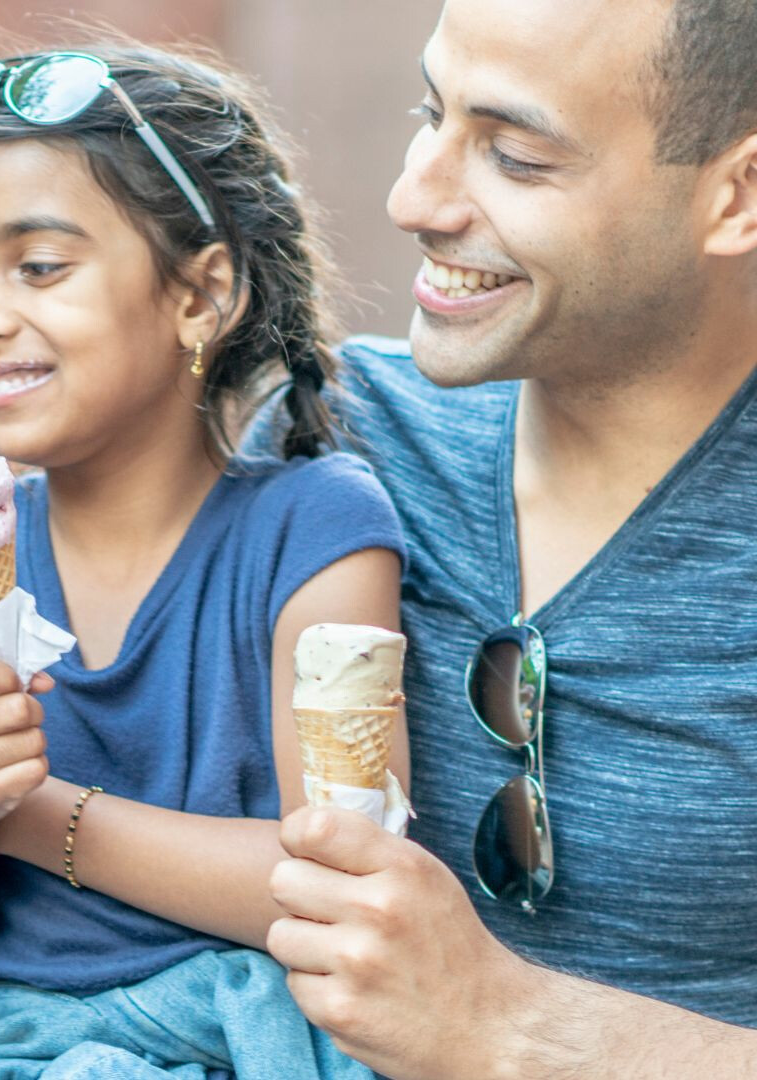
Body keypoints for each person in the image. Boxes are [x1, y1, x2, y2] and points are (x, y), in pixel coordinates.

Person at [0, 39, 406, 1078]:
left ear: (202, 295)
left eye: (40, 267)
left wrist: (27, 804)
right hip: (22, 1049)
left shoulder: (317, 534)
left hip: (283, 1034)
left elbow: (345, 881)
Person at [259, 0, 757, 1076]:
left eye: (518, 156)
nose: (412, 199)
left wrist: (510, 1027)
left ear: (739, 194)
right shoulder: (324, 436)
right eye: (427, 112)